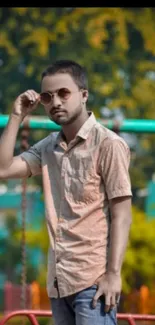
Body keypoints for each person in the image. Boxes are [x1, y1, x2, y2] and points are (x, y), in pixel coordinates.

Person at [0, 60, 132, 325]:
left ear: (84, 95)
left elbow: (122, 215)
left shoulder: (108, 145)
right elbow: (3, 169)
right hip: (59, 283)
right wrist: (17, 116)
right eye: (47, 97)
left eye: (64, 93)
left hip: (94, 283)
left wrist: (113, 274)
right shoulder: (48, 148)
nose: (55, 102)